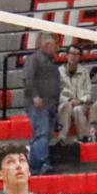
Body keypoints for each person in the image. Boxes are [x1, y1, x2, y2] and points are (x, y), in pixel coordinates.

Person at [21, 33, 62, 171]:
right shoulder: (34, 59)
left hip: (50, 105)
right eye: (55, 45)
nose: (58, 48)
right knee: (42, 133)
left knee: (43, 135)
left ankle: (34, 168)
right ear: (47, 45)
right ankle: (43, 163)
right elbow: (28, 79)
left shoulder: (51, 63)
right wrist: (35, 96)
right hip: (39, 105)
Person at [55, 49, 94, 146]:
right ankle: (61, 139)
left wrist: (80, 101)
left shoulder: (85, 72)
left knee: (77, 109)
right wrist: (68, 100)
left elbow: (89, 94)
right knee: (66, 106)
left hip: (81, 104)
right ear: (67, 55)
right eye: (71, 53)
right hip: (65, 103)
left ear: (80, 57)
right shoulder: (58, 72)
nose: (73, 56)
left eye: (76, 54)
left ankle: (84, 138)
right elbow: (55, 93)